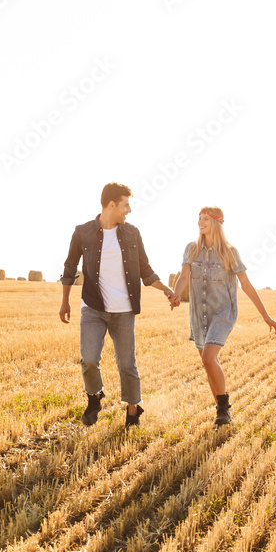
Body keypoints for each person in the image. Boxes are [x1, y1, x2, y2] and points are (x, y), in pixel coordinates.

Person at [60, 182, 177, 427]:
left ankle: (133, 412)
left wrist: (166, 289)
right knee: (89, 359)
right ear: (111, 205)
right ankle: (94, 398)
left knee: (127, 364)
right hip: (93, 308)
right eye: (126, 205)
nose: (129, 210)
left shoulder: (132, 233)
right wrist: (65, 302)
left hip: (124, 312)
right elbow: (70, 268)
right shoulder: (82, 232)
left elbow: (145, 269)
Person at [171, 207, 276, 425]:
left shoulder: (229, 252)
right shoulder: (191, 249)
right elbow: (184, 276)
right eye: (199, 219)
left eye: (206, 219)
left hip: (223, 312)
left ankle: (224, 408)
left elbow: (247, 285)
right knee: (208, 364)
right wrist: (176, 294)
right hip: (198, 314)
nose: (200, 222)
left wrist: (265, 316)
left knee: (208, 358)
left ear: (217, 223)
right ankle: (221, 413)